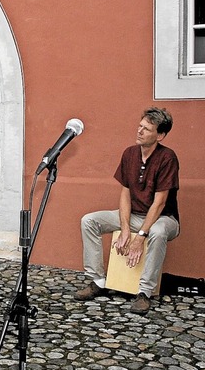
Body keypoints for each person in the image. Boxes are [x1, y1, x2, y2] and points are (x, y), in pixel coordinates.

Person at [75, 107, 179, 315]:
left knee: (157, 232)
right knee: (89, 221)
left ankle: (144, 292)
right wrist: (124, 229)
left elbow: (159, 203)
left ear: (160, 135)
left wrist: (139, 237)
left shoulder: (167, 158)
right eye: (140, 126)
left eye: (147, 129)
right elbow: (125, 194)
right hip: (133, 217)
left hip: (163, 219)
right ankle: (98, 281)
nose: (139, 131)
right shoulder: (129, 153)